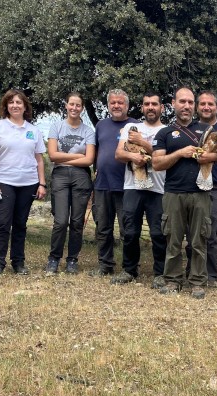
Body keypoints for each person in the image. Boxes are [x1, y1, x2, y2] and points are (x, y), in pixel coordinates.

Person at [152, 87, 217, 299]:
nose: (186, 106)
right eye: (182, 102)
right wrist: (180, 153)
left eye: (190, 102)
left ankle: (197, 282)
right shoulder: (164, 133)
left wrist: (210, 157)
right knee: (173, 240)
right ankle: (172, 280)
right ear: (173, 104)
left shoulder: (206, 129)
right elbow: (157, 163)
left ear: (194, 106)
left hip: (201, 193)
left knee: (199, 240)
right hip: (173, 194)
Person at [0, 90, 47, 276]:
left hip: (28, 183)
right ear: (6, 106)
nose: (15, 105)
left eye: (19, 102)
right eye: (11, 102)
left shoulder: (33, 130)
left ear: (25, 106)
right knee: (3, 223)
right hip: (3, 182)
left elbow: (40, 159)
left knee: (20, 224)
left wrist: (42, 183)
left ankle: (18, 263)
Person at [184, 90, 217, 287]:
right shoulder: (191, 128)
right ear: (197, 107)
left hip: (216, 188)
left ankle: (212, 275)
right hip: (193, 188)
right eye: (203, 104)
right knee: (192, 232)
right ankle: (192, 270)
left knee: (211, 231)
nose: (207, 107)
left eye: (211, 104)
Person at [112, 91, 166, 287]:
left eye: (154, 104)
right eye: (146, 104)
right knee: (130, 231)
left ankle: (160, 273)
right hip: (132, 186)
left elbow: (162, 157)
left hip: (158, 189)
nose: (150, 107)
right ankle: (129, 270)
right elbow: (119, 153)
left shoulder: (166, 131)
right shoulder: (130, 127)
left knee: (159, 233)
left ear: (162, 108)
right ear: (142, 108)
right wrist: (133, 157)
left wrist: (143, 143)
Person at [45, 92, 96, 275]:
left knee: (76, 221)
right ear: (66, 105)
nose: (74, 108)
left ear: (82, 108)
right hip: (59, 175)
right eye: (71, 104)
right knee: (60, 220)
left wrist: (65, 159)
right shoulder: (56, 127)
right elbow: (52, 155)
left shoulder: (88, 131)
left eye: (78, 105)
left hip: (81, 176)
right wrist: (78, 156)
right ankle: (54, 258)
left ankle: (72, 259)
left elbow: (89, 160)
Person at [90, 89, 138, 276]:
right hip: (102, 184)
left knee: (128, 230)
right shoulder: (101, 125)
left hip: (127, 185)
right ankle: (105, 265)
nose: (116, 106)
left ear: (127, 105)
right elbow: (96, 152)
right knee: (103, 228)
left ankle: (129, 267)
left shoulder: (136, 125)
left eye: (120, 103)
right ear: (108, 105)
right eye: (113, 103)